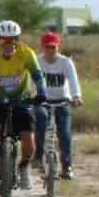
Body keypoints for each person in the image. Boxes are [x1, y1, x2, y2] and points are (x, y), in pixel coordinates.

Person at [0, 20, 46, 192]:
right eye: (2, 40)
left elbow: (38, 76)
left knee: (28, 138)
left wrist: (41, 92)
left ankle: (23, 168)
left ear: (17, 40)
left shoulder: (26, 53)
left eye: (11, 39)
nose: (7, 43)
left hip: (21, 99)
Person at [34, 30, 83, 179]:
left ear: (58, 47)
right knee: (39, 125)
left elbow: (73, 80)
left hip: (62, 101)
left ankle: (67, 166)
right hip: (43, 101)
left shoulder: (65, 62)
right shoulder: (37, 61)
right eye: (47, 47)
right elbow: (31, 80)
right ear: (43, 47)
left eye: (53, 47)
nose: (50, 50)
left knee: (64, 133)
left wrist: (76, 96)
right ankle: (38, 157)